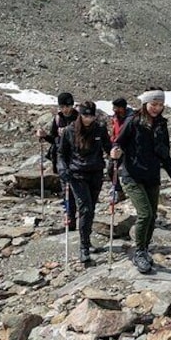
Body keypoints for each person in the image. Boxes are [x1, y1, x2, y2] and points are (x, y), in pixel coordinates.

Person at [110, 88, 171, 274]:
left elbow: (165, 153)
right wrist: (115, 151)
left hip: (152, 176)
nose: (157, 108)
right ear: (145, 103)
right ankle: (139, 252)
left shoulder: (161, 125)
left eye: (160, 105)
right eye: (153, 104)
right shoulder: (133, 121)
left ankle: (145, 248)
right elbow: (119, 141)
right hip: (132, 175)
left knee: (153, 216)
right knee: (145, 214)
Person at [57, 101, 112, 263]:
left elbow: (108, 147)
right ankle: (84, 248)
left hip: (95, 173)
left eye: (91, 116)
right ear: (80, 115)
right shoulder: (69, 131)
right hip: (77, 174)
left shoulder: (100, 129)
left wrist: (115, 152)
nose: (88, 119)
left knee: (91, 208)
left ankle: (86, 241)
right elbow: (61, 154)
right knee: (85, 208)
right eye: (85, 115)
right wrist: (62, 169)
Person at [35, 92, 78, 230]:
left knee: (76, 189)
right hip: (61, 158)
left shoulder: (78, 118)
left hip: (76, 158)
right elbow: (54, 138)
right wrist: (44, 136)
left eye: (69, 105)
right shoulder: (58, 119)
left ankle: (77, 218)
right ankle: (70, 219)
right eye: (63, 106)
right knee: (66, 188)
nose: (66, 109)